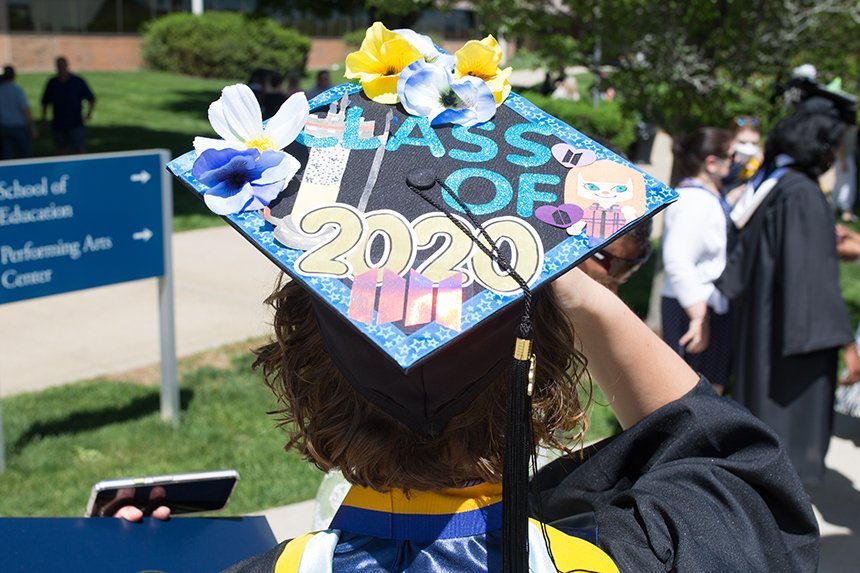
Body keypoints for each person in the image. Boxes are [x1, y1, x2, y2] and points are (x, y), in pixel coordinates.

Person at [167, 27, 818, 569]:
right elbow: (739, 471)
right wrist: (562, 279)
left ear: (300, 377)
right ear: (540, 380)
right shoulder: (623, 557)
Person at [717, 93, 855, 486]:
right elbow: (811, 279)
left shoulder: (775, 183)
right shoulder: (802, 192)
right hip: (792, 344)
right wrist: (845, 342)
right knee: (786, 445)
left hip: (763, 327)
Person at [661, 128, 734, 393]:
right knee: (693, 394)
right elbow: (677, 258)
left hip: (702, 304)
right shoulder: (695, 202)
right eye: (732, 155)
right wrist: (698, 316)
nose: (736, 162)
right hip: (692, 307)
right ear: (712, 162)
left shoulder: (704, 197)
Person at [40, 56, 95, 154]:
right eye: (59, 66)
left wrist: (89, 113)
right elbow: (45, 102)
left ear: (67, 66)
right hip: (59, 122)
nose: (61, 68)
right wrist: (45, 119)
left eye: (62, 65)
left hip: (75, 121)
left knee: (79, 147)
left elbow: (91, 98)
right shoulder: (52, 83)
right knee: (60, 148)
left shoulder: (77, 81)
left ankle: (82, 166)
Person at [0, 65, 37, 159]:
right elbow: (25, 110)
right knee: (26, 155)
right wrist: (32, 127)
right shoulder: (17, 91)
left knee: (7, 156)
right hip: (18, 127)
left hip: (4, 126)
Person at [722, 115, 763, 199]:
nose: (748, 148)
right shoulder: (720, 163)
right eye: (742, 142)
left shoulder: (761, 164)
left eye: (754, 143)